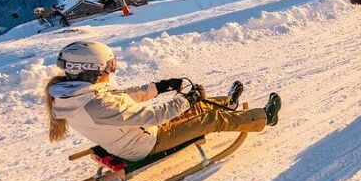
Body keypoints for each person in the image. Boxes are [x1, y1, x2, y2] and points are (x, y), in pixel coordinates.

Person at [45, 41, 280, 161]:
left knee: (196, 105)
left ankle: (229, 103)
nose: (112, 72)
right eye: (109, 67)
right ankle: (264, 118)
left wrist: (160, 87)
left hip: (139, 133)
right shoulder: (96, 104)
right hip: (145, 144)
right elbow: (153, 116)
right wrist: (185, 100)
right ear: (91, 69)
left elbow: (123, 96)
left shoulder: (78, 94)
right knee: (209, 118)